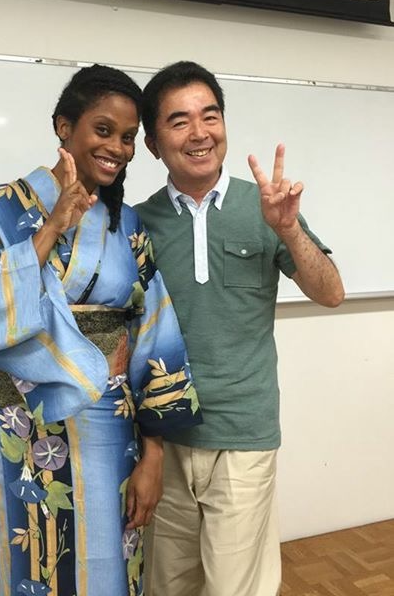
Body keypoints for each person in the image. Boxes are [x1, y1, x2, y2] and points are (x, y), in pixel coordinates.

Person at [0, 65, 201, 596]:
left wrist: (153, 454)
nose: (118, 148)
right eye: (103, 130)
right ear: (64, 126)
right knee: (33, 570)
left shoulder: (127, 225)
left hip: (108, 427)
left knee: (110, 572)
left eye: (127, 137)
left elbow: (155, 333)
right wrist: (53, 226)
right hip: (18, 426)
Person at [134, 61, 345, 596]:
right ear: (153, 143)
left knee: (237, 589)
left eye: (210, 116)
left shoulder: (266, 207)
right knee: (167, 586)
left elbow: (331, 292)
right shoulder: (137, 223)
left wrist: (289, 230)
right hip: (163, 437)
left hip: (244, 433)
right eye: (179, 121)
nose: (199, 132)